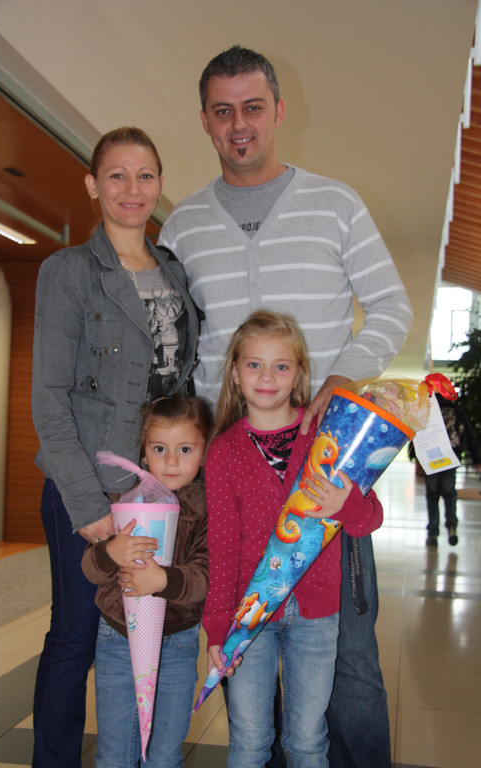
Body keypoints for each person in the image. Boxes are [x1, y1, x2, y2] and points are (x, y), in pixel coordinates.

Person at [159, 46, 412, 768]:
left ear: (278, 110)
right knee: (247, 650)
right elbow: (176, 347)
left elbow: (391, 307)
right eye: (222, 111)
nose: (239, 124)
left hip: (321, 468)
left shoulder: (335, 204)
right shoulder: (183, 225)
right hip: (232, 470)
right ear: (205, 121)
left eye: (252, 107)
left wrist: (342, 379)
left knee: (347, 659)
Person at [31, 127, 201, 767]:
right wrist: (86, 505)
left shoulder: (174, 272)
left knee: (151, 634)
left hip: (160, 490)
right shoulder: (69, 272)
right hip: (90, 488)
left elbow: (182, 387)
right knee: (76, 635)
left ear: (160, 184)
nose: (133, 189)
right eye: (117, 175)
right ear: (92, 184)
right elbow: (49, 397)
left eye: (145, 175)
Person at [203, 310, 383, 768]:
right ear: (235, 373)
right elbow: (222, 547)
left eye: (281, 366)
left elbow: (369, 518)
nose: (267, 377)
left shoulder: (328, 436)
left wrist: (344, 504)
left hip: (316, 613)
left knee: (306, 739)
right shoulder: (223, 451)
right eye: (254, 365)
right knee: (248, 738)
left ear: (300, 374)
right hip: (248, 613)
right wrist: (218, 626)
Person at [82, 393, 213, 767]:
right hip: (117, 637)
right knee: (114, 754)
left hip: (177, 642)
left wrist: (163, 581)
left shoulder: (207, 505)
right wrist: (111, 551)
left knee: (164, 754)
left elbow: (205, 576)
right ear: (143, 451)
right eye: (159, 448)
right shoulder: (122, 498)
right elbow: (89, 569)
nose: (171, 461)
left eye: (185, 449)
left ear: (204, 451)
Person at [421, 393, 481, 547]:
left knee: (432, 495)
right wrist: (477, 459)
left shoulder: (428, 411)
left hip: (431, 458)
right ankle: (452, 525)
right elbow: (469, 435)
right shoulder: (457, 412)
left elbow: (419, 435)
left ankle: (433, 533)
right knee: (449, 493)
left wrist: (415, 455)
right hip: (451, 457)